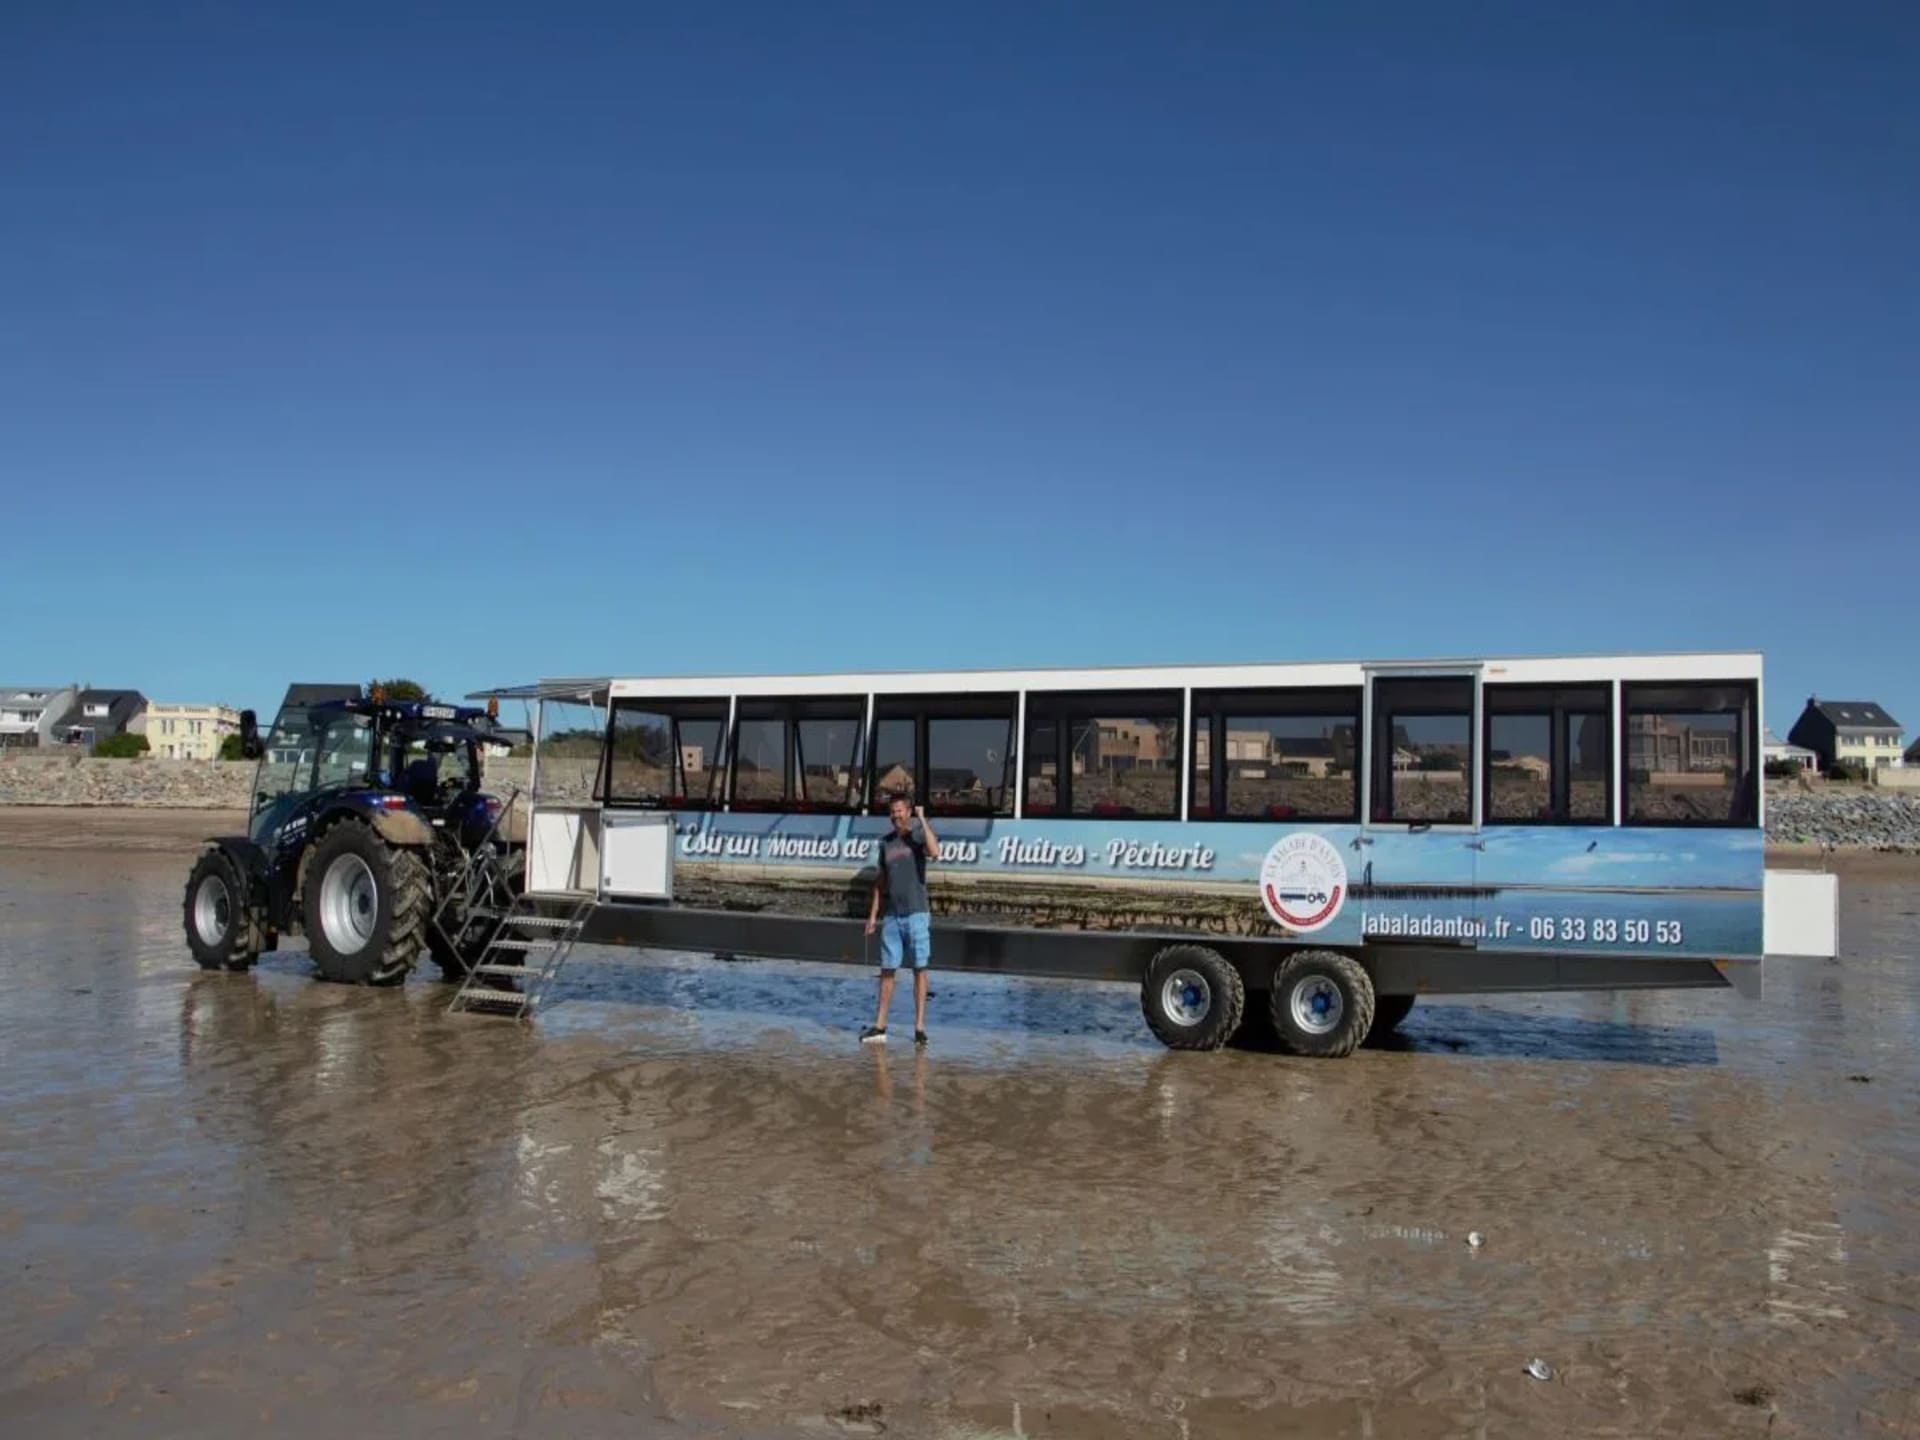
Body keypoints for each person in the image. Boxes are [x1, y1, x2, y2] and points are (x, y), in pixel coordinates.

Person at [862, 794, 939, 1045]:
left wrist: (922, 819)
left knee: (920, 970)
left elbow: (935, 851)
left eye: (900, 811)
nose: (896, 816)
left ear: (908, 812)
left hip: (917, 915)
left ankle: (919, 1028)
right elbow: (879, 884)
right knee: (887, 971)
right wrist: (873, 916)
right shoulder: (885, 843)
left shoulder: (916, 836)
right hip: (892, 917)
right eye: (893, 812)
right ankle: (880, 1025)